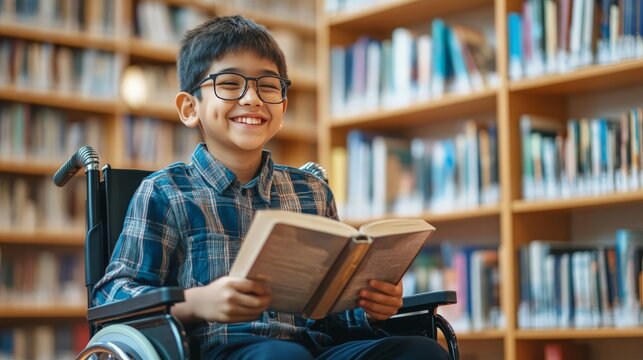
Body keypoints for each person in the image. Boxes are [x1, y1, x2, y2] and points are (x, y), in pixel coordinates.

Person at [93, 15, 449, 360]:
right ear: (190, 108)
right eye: (230, 83)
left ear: (283, 105)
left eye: (267, 85)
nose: (252, 98)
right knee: (280, 355)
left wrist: (370, 306)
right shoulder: (166, 192)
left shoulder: (311, 191)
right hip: (219, 349)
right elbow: (113, 299)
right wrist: (197, 302)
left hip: (314, 346)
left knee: (422, 350)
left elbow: (333, 312)